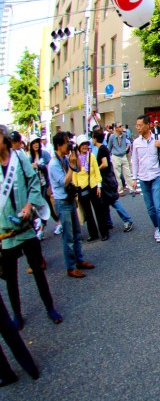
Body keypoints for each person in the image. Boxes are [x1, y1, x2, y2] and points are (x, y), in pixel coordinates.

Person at [0, 125, 62, 329]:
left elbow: (34, 183)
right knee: (10, 277)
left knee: (37, 269)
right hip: (5, 232)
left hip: (25, 227)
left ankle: (50, 307)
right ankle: (16, 313)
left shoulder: (19, 158)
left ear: (5, 140)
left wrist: (29, 204)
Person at [48, 132, 94, 277]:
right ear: (58, 145)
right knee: (68, 237)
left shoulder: (65, 158)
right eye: (66, 142)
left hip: (70, 199)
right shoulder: (54, 163)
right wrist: (71, 166)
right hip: (62, 202)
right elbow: (64, 182)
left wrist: (75, 155)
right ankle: (71, 267)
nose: (68, 145)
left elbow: (79, 169)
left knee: (77, 233)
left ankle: (79, 260)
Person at [131, 115, 160, 243]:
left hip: (155, 175)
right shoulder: (136, 142)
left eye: (140, 125)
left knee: (158, 206)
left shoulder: (157, 138)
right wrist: (134, 178)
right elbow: (134, 161)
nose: (138, 128)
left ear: (148, 125)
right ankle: (157, 227)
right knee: (150, 208)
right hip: (143, 178)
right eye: (137, 125)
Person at [91, 129, 133, 233]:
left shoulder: (101, 149)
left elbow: (104, 164)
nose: (91, 140)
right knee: (105, 202)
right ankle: (108, 222)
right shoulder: (102, 148)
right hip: (106, 179)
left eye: (92, 137)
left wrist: (95, 170)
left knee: (113, 201)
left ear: (95, 138)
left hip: (106, 180)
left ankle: (127, 219)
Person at [72, 135, 109, 242]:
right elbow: (74, 175)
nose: (84, 146)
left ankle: (104, 232)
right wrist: (75, 190)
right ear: (78, 146)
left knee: (98, 210)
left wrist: (99, 186)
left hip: (93, 186)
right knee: (88, 213)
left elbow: (97, 171)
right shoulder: (75, 158)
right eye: (82, 144)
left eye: (86, 144)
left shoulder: (91, 156)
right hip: (81, 188)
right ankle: (93, 234)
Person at [28, 137, 53, 240]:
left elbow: (49, 167)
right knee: (46, 206)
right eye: (33, 143)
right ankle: (59, 222)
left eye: (37, 142)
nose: (36, 145)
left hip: (45, 184)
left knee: (43, 206)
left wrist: (39, 166)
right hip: (37, 186)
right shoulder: (30, 157)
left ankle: (41, 229)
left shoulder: (45, 154)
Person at [108, 123, 134, 196]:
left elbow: (129, 142)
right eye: (119, 126)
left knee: (127, 173)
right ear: (116, 128)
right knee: (117, 174)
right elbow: (109, 147)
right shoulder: (112, 137)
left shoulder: (124, 135)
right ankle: (120, 190)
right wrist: (109, 157)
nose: (121, 128)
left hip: (123, 155)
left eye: (121, 126)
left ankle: (132, 189)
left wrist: (127, 149)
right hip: (115, 156)